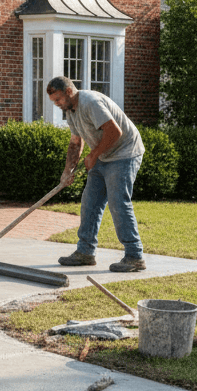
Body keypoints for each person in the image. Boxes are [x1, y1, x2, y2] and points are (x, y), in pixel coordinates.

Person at [45, 75, 146, 273]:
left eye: (57, 99)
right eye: (53, 101)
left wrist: (94, 155)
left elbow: (114, 132)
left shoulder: (90, 102)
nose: (56, 104)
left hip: (124, 153)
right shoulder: (70, 111)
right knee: (90, 202)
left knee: (118, 203)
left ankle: (134, 256)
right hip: (103, 155)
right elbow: (76, 142)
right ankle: (85, 252)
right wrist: (67, 171)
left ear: (68, 92)